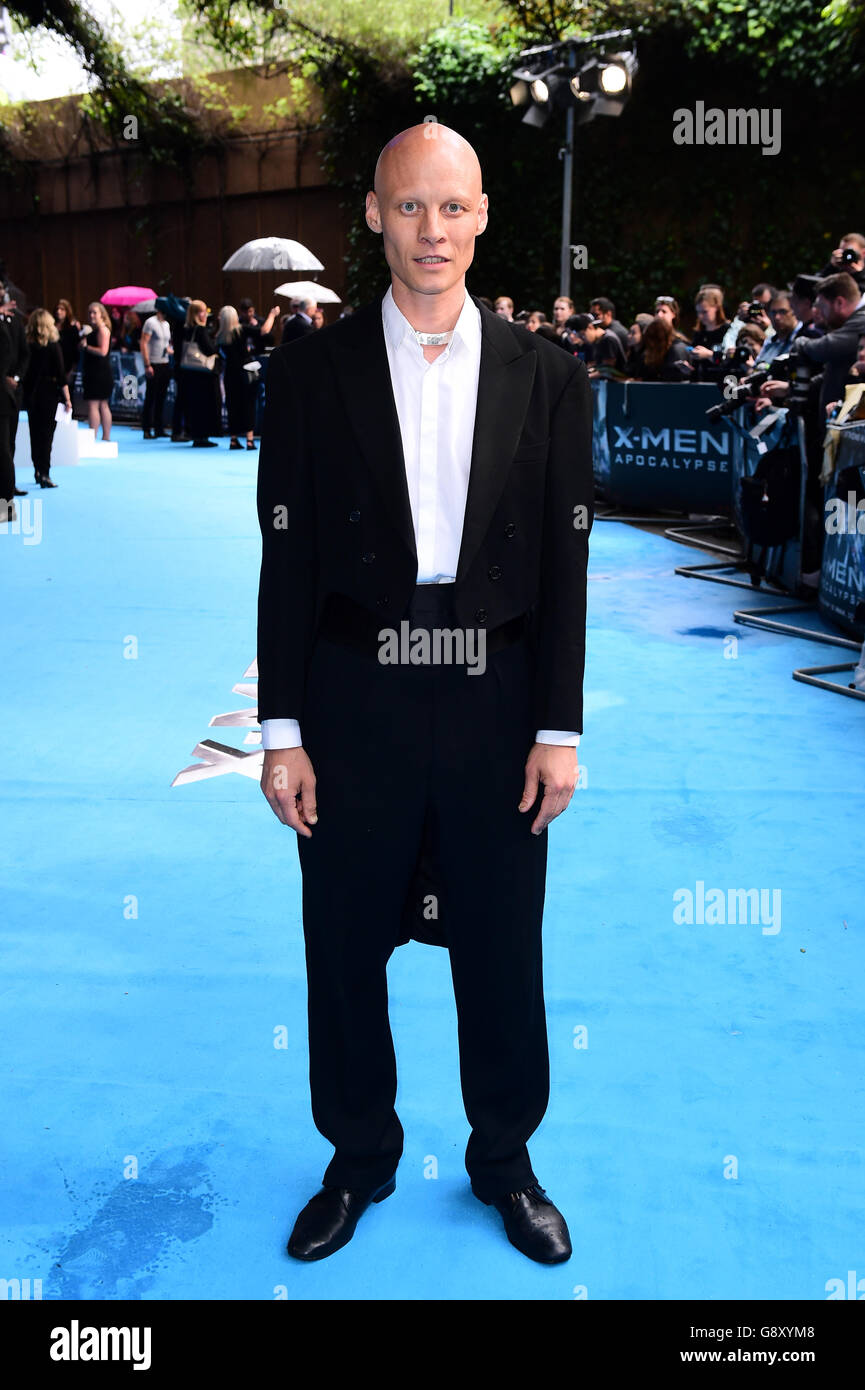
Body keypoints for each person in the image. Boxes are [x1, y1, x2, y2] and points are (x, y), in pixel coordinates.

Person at [257, 122, 593, 1266]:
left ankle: (505, 1160)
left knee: (502, 941)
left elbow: (563, 563)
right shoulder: (309, 369)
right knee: (343, 938)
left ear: (484, 215)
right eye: (409, 208)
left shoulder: (549, 376)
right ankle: (358, 1158)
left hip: (497, 691)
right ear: (372, 216)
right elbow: (285, 556)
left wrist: (557, 727)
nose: (430, 230)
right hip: (354, 693)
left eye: (450, 208)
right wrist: (282, 731)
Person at [22, 308, 71, 487]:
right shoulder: (53, 345)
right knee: (47, 435)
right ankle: (45, 472)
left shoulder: (27, 345)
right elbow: (61, 375)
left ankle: (37, 470)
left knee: (34, 434)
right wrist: (67, 399)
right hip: (49, 393)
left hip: (31, 393)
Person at [0, 276, 29, 497]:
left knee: (6, 446)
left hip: (8, 392)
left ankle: (6, 498)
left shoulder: (13, 323)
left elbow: (21, 355)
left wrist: (15, 378)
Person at [215, 304, 257, 450]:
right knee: (248, 405)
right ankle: (249, 440)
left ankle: (233, 439)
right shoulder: (242, 331)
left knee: (232, 406)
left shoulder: (219, 336)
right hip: (244, 373)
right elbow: (263, 331)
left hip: (229, 375)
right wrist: (272, 315)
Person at [179, 299, 220, 447]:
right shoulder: (200, 330)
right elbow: (209, 350)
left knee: (194, 405)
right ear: (197, 314)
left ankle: (197, 434)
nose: (206, 315)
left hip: (190, 373)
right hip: (202, 373)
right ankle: (202, 436)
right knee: (203, 405)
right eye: (203, 311)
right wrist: (216, 345)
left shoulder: (186, 328)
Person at [80, 300, 113, 442]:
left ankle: (95, 438)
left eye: (95, 312)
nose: (91, 315)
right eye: (90, 313)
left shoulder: (103, 330)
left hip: (98, 372)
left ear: (101, 314)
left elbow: (103, 351)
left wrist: (86, 347)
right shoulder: (96, 330)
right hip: (96, 371)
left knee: (95, 405)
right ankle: (103, 437)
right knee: (101, 404)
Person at [140, 307, 173, 439]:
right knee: (150, 397)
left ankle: (159, 428)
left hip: (164, 363)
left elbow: (165, 345)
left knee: (161, 397)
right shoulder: (150, 322)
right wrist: (147, 364)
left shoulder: (166, 324)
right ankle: (146, 429)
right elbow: (144, 343)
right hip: (153, 363)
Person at [636, 314, 690, 381]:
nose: (652, 345)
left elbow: (675, 380)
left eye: (654, 340)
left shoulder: (677, 350)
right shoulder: (653, 352)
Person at [54, 299, 81, 391]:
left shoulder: (72, 329)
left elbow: (75, 351)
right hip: (54, 366)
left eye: (62, 309)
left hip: (67, 366)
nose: (58, 312)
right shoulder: (51, 327)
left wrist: (72, 370)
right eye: (57, 309)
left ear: (67, 311)